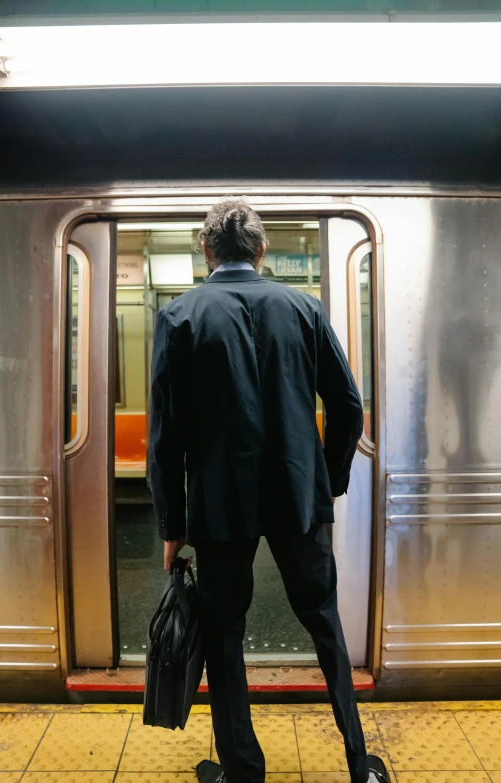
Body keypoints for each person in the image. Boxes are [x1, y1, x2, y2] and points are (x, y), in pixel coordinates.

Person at [148, 199, 389, 783]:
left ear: (206, 252)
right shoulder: (304, 308)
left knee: (225, 633)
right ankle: (361, 766)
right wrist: (325, 482)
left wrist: (172, 526)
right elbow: (349, 406)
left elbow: (166, 435)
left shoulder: (180, 316)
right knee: (324, 622)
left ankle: (242, 771)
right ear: (260, 251)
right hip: (297, 495)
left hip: (220, 505)